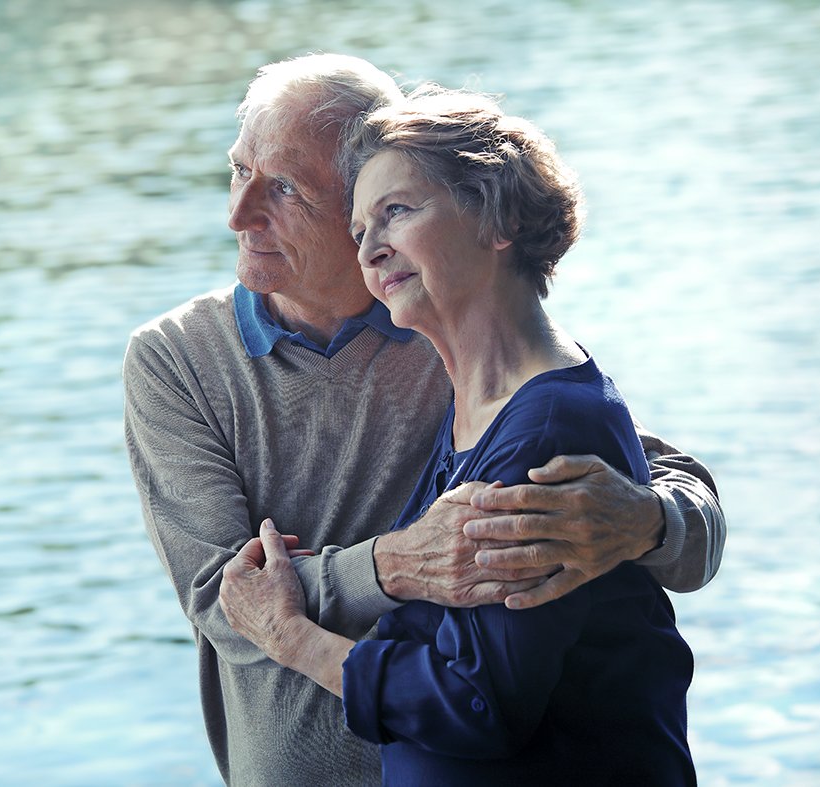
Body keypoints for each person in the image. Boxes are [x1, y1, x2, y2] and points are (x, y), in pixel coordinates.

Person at [123, 54, 724, 786]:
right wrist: (395, 564)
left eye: (283, 188)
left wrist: (651, 521)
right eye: (237, 170)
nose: (237, 215)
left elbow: (627, 459)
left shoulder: (447, 312)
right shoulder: (177, 358)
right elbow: (228, 601)